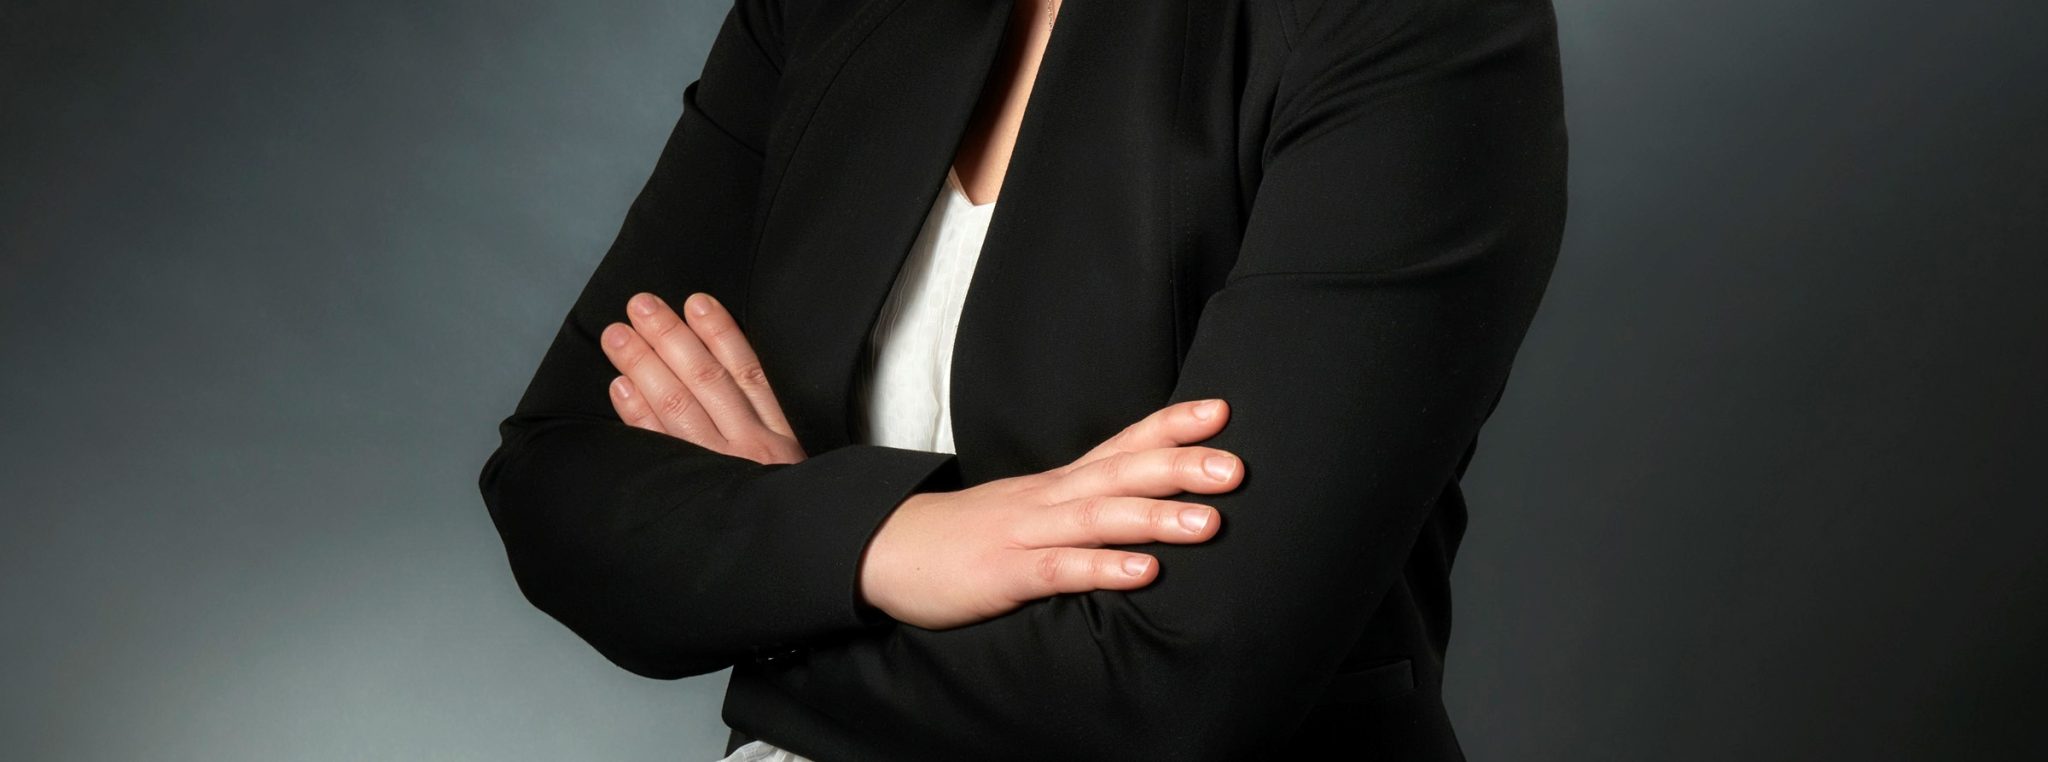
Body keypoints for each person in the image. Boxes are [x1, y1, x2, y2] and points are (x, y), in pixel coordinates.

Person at [476, 0, 1567, 759]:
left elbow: (1172, 690)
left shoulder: (1410, 22)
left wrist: (768, 581)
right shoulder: (820, 11)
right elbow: (555, 480)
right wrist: (895, 542)